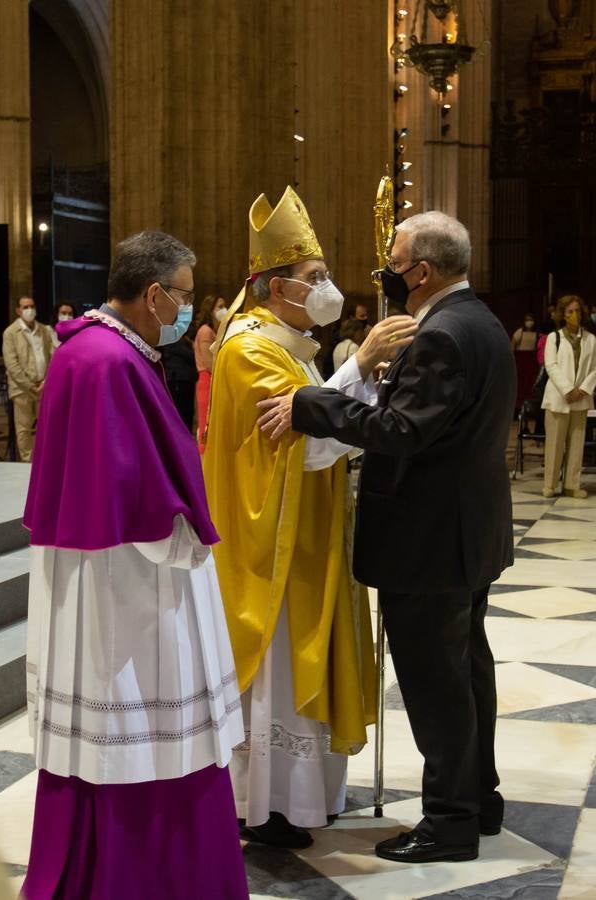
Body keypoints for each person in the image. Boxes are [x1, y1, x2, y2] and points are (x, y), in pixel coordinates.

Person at [258, 210, 516, 865]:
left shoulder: (442, 335)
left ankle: (449, 822)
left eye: (391, 264)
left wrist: (308, 406)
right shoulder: (480, 321)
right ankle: (479, 800)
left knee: (436, 686)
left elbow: (402, 431)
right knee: (467, 671)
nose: (384, 275)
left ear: (421, 272)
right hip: (466, 535)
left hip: (428, 543)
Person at [21, 231, 248, 899]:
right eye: (182, 294)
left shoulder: (93, 350)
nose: (186, 308)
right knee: (141, 729)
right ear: (153, 295)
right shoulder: (108, 362)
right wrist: (192, 539)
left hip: (101, 580)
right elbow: (136, 497)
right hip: (128, 592)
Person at [203, 185, 417, 849]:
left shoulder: (292, 343)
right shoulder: (248, 350)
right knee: (279, 668)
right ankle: (266, 806)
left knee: (307, 659)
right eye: (312, 277)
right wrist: (359, 363)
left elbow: (322, 418)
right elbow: (307, 441)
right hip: (272, 542)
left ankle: (302, 798)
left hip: (310, 533)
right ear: (273, 287)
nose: (324, 287)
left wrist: (357, 383)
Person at [541, 294, 596, 499]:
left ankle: (572, 485)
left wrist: (582, 389)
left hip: (581, 398)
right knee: (554, 443)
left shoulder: (591, 339)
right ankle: (550, 484)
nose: (574, 315)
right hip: (558, 397)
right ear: (563, 315)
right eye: (570, 311)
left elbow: (594, 369)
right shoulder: (553, 338)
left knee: (576, 443)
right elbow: (551, 366)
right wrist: (567, 389)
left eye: (577, 311)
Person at [2, 296, 53, 462]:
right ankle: (27, 464)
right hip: (22, 388)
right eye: (25, 307)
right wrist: (29, 386)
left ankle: (42, 462)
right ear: (18, 310)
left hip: (43, 386)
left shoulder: (44, 330)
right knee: (23, 430)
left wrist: (45, 382)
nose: (29, 310)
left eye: (32, 306)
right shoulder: (10, 333)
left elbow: (51, 356)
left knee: (45, 427)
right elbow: (12, 364)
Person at [194, 294, 227, 452]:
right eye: (220, 306)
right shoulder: (206, 331)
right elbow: (209, 363)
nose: (224, 309)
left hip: (213, 379)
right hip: (207, 379)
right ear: (210, 310)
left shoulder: (214, 330)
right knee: (206, 425)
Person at [160, 330, 198, 432]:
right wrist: (195, 349)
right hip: (177, 379)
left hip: (186, 378)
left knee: (188, 412)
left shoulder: (182, 337)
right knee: (180, 413)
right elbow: (186, 353)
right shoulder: (170, 336)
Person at [511, 313, 538, 411]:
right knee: (520, 385)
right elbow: (512, 345)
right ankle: (518, 407)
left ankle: (530, 407)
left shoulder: (537, 333)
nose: (529, 322)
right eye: (527, 320)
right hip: (521, 362)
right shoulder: (520, 331)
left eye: (531, 319)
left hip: (531, 363)